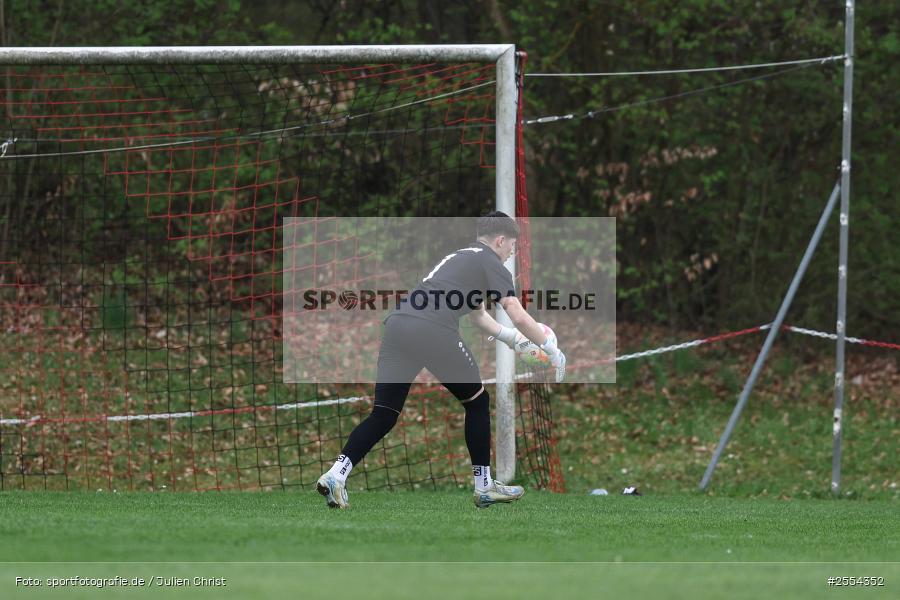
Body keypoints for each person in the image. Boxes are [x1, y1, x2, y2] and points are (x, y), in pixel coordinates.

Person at [316, 211, 566, 509]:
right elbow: (514, 310)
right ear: (500, 240)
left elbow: (478, 315)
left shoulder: (461, 257)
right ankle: (484, 486)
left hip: (398, 325)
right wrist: (548, 345)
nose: (512, 251)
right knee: (477, 401)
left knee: (383, 414)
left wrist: (512, 339)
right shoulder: (491, 261)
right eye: (512, 245)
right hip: (432, 328)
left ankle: (336, 474)